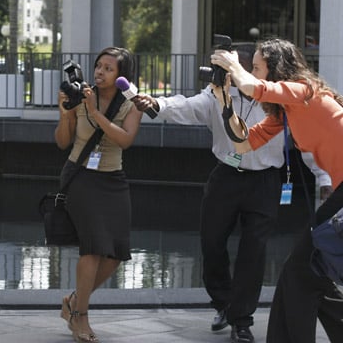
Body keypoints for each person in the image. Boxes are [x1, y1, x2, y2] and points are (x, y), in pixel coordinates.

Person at [132, 44, 331, 343]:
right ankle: (223, 303)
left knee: (254, 251)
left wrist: (324, 176)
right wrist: (156, 105)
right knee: (211, 243)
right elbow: (185, 106)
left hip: (265, 181)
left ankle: (242, 319)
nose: (247, 73)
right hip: (226, 176)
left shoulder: (276, 100)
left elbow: (307, 141)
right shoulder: (218, 93)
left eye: (254, 67)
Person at [211, 38, 343, 343]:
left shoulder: (304, 91)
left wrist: (232, 64)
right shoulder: (285, 112)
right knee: (309, 273)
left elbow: (254, 88)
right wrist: (223, 101)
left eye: (257, 67)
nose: (253, 72)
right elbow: (243, 143)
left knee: (302, 269)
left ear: (276, 69)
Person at [56, 47, 143, 342]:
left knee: (116, 252)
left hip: (113, 178)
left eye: (108, 68)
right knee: (92, 248)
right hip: (80, 176)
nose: (99, 72)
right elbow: (62, 142)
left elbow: (125, 140)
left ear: (121, 76)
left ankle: (72, 301)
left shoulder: (131, 104)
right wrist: (65, 114)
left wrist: (94, 112)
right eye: (98, 66)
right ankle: (80, 318)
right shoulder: (81, 96)